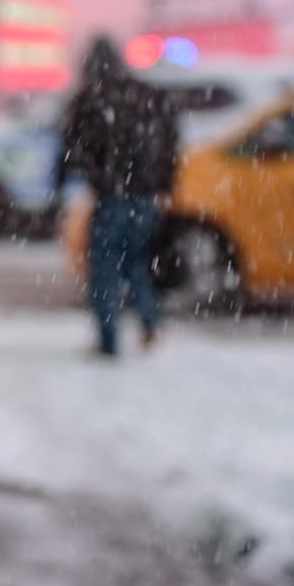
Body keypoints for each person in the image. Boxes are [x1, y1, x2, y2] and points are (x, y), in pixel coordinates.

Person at [56, 37, 178, 356]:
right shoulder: (146, 95)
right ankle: (149, 323)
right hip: (147, 197)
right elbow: (170, 140)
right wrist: (165, 185)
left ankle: (108, 340)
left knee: (104, 268)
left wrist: (64, 184)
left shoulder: (89, 100)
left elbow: (71, 149)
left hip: (111, 196)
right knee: (136, 262)